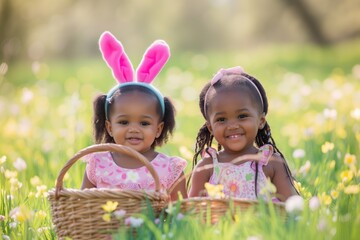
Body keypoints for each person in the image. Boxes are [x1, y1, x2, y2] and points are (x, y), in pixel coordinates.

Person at [81, 31, 187, 201]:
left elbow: (181, 212)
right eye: (123, 122)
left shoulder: (168, 169)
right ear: (109, 127)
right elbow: (82, 206)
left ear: (158, 129)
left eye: (144, 123)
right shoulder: (99, 164)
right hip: (104, 228)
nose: (134, 129)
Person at [188, 67, 298, 202]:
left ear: (261, 121)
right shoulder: (207, 167)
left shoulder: (271, 163)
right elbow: (190, 211)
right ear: (210, 128)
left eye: (242, 116)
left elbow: (293, 207)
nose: (233, 126)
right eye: (221, 119)